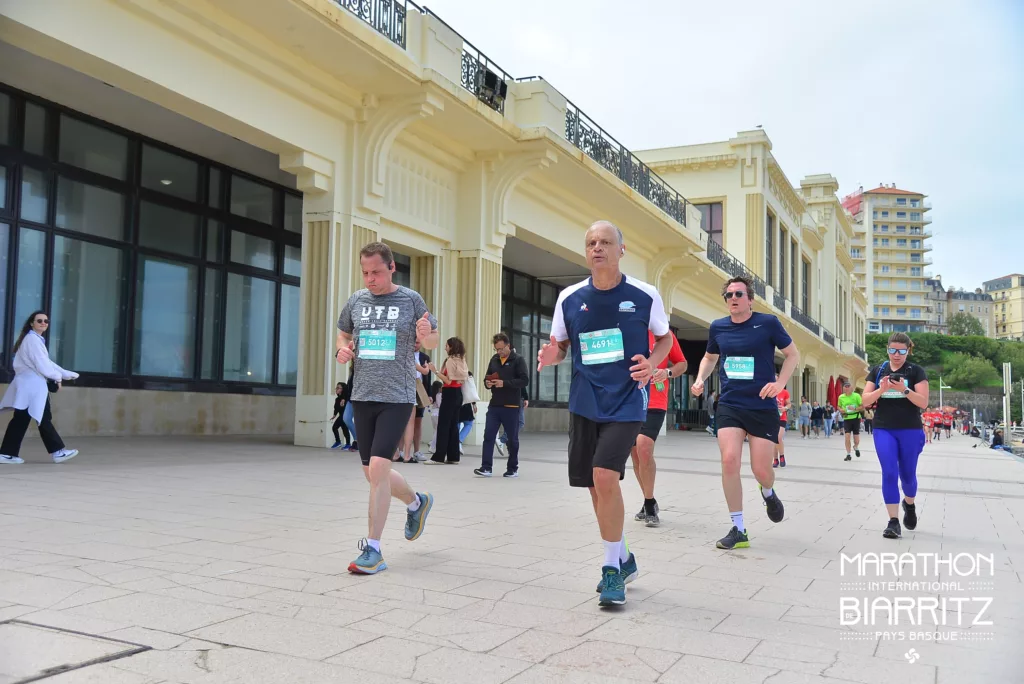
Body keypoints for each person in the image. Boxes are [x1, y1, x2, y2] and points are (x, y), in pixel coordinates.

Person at [536, 220, 671, 606]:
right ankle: (624, 556)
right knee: (596, 486)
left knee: (604, 476)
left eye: (606, 242)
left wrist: (652, 362)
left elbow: (665, 338)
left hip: (628, 400)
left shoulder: (644, 295)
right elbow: (560, 346)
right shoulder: (569, 298)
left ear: (621, 249)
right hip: (584, 401)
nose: (598, 248)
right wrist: (553, 355)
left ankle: (611, 569)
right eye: (591, 242)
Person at [335, 242, 438, 574]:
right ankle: (417, 502)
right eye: (365, 273)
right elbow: (342, 334)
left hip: (398, 395)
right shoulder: (357, 300)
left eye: (376, 272)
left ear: (392, 268)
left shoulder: (410, 299)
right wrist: (342, 351)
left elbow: (432, 339)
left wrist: (427, 334)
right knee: (370, 471)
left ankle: (373, 550)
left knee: (378, 467)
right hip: (363, 394)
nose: (370, 279)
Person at [690, 275, 799, 551]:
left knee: (761, 469)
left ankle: (768, 492)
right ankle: (738, 529)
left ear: (750, 299)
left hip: (762, 406)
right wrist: (701, 378)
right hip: (731, 404)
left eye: (739, 294)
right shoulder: (718, 327)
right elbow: (710, 357)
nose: (734, 299)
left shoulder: (768, 323)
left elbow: (793, 355)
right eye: (729, 295)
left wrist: (779, 384)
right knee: (729, 461)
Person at [860, 332, 929, 540]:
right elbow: (865, 400)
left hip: (910, 429)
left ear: (908, 350)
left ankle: (909, 503)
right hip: (884, 428)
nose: (896, 355)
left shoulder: (916, 371)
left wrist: (904, 389)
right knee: (889, 472)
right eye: (892, 350)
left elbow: (923, 403)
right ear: (887, 349)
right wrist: (882, 389)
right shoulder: (879, 370)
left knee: (908, 476)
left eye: (901, 351)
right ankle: (893, 522)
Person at [0, 311, 80, 465]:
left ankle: (6, 453)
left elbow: (47, 362)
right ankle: (58, 452)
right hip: (32, 388)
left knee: (22, 419)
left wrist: (65, 373)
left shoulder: (34, 339)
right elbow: (42, 364)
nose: (43, 323)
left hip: (29, 387)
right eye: (39, 320)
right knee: (42, 418)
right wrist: (57, 377)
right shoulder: (32, 340)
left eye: (46, 321)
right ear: (32, 323)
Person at [631, 330, 687, 526]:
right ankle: (649, 499)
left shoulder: (663, 333)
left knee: (644, 446)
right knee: (636, 455)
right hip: (628, 402)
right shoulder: (626, 327)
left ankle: (648, 503)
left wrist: (668, 372)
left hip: (654, 402)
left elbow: (682, 363)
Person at [476, 333, 530, 478]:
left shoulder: (518, 360)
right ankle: (486, 467)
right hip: (495, 405)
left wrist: (504, 383)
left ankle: (512, 468)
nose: (499, 352)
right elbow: (487, 376)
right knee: (488, 435)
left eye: (501, 349)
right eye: (496, 349)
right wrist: (487, 383)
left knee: (512, 439)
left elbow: (524, 380)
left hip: (511, 406)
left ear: (508, 345)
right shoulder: (494, 359)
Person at [427, 338, 468, 464]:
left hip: (449, 393)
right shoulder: (461, 359)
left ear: (451, 347)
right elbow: (461, 379)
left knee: (444, 425)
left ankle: (438, 456)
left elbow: (448, 380)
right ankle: (453, 456)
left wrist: (435, 371)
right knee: (453, 425)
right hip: (458, 394)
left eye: (446, 346)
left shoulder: (450, 360)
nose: (445, 348)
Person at [496, 386, 528, 457]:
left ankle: (510, 450)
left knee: (511, 423)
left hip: (506, 398)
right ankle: (502, 440)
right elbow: (521, 383)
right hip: (517, 397)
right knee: (520, 422)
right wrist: (525, 397)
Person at [413, 343, 432, 461]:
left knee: (418, 421)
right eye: (414, 342)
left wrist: (429, 394)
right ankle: (400, 451)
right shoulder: (403, 354)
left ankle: (416, 450)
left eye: (418, 342)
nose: (415, 344)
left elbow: (427, 377)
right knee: (403, 422)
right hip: (406, 387)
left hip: (420, 388)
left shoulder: (425, 357)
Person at [837, 382, 863, 462]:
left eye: (848, 386)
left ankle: (856, 447)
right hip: (847, 418)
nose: (847, 388)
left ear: (852, 388)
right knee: (847, 436)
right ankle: (848, 454)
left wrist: (854, 408)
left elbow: (862, 406)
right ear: (843, 388)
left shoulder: (856, 396)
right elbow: (838, 406)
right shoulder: (841, 397)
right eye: (845, 386)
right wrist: (840, 409)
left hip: (856, 417)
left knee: (856, 440)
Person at [458, 374, 477, 454]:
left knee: (457, 423)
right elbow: (471, 391)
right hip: (466, 404)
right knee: (468, 423)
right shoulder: (468, 375)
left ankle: (456, 442)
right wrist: (474, 403)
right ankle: (459, 440)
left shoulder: (455, 374)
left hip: (456, 402)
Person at [773, 380, 790, 468]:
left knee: (778, 437)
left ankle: (782, 456)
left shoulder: (784, 392)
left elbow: (789, 404)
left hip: (782, 418)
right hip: (771, 418)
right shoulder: (770, 391)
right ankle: (775, 459)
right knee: (773, 439)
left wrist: (785, 408)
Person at [341, 364, 358, 452]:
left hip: (360, 399)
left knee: (361, 422)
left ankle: (358, 442)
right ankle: (357, 439)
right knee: (346, 418)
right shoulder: (352, 369)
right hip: (351, 399)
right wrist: (344, 398)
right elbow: (349, 385)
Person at [330, 382, 352, 449]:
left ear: (342, 389)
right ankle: (345, 443)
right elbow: (336, 408)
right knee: (343, 429)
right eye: (336, 387)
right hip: (341, 415)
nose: (336, 389)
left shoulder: (346, 398)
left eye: (338, 388)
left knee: (335, 428)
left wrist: (344, 401)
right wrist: (334, 415)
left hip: (344, 416)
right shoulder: (337, 399)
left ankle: (342, 443)